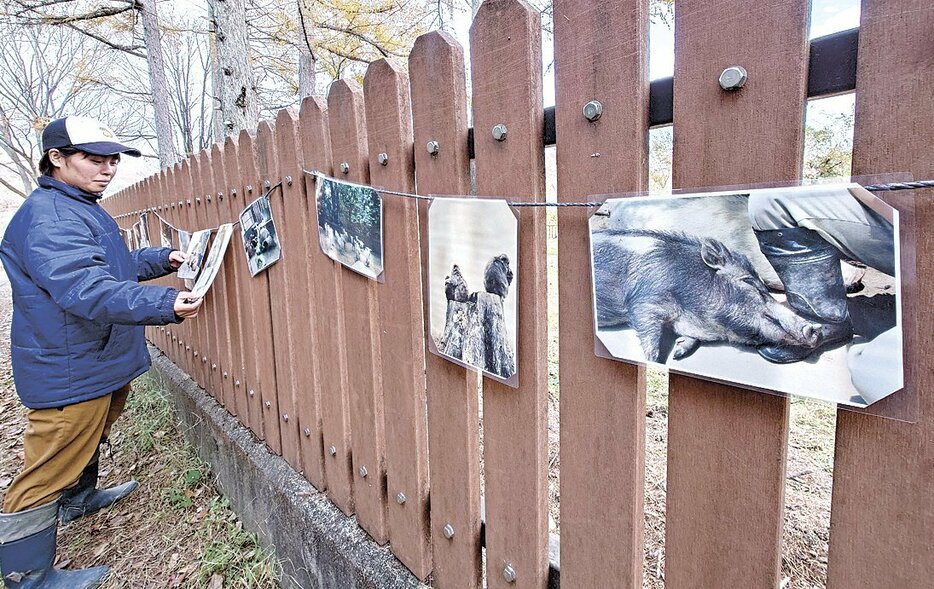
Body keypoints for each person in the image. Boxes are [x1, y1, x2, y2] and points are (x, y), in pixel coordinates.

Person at [0, 116, 203, 588]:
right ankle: (25, 577)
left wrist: (159, 260)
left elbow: (106, 266)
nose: (108, 169)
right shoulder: (49, 217)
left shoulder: (76, 205)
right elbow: (83, 285)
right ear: (57, 158)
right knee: (47, 467)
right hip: (70, 366)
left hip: (94, 357)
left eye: (113, 159)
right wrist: (165, 302)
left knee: (87, 436)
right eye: (94, 159)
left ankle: (77, 500)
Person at [748, 184, 900, 399]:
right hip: (913, 222)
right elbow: (862, 191)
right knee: (770, 200)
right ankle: (824, 321)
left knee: (871, 371)